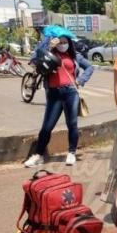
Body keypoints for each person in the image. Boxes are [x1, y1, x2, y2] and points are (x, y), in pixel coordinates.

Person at [24, 35, 94, 167]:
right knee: (47, 127)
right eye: (59, 42)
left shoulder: (74, 56)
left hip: (70, 92)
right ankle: (38, 155)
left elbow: (90, 67)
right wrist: (48, 47)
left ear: (69, 43)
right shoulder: (49, 53)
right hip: (54, 94)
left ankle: (71, 153)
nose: (62, 44)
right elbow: (34, 61)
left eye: (65, 42)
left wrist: (80, 80)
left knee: (72, 124)